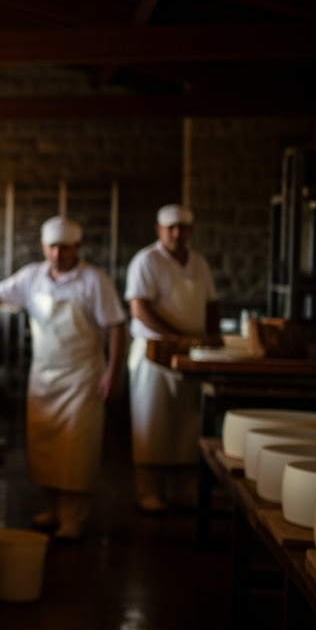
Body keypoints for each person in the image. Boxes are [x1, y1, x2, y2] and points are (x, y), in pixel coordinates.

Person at [0, 216, 128, 540]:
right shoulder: (33, 278)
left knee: (77, 448)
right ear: (44, 247)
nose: (58, 254)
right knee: (47, 448)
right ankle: (53, 508)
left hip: (82, 376)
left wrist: (114, 371)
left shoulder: (94, 281)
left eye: (65, 248)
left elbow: (117, 326)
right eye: (53, 247)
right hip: (44, 374)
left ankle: (74, 517)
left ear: (77, 248)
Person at [126, 204, 220, 512]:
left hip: (192, 355)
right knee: (153, 422)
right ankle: (147, 491)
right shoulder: (146, 261)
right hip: (155, 353)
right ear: (159, 230)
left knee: (185, 424)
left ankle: (182, 490)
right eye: (171, 228)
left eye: (183, 228)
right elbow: (139, 308)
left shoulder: (199, 263)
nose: (177, 234)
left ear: (191, 230)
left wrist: (212, 337)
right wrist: (176, 337)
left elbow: (211, 303)